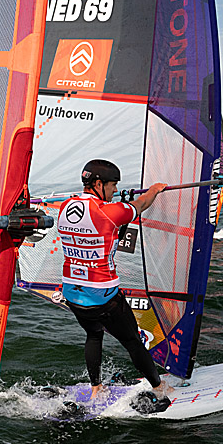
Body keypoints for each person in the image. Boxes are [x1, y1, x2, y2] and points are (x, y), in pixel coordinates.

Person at [57, 159, 172, 406]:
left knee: (94, 335)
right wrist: (154, 190)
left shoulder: (66, 206)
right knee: (132, 341)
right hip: (103, 295)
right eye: (112, 185)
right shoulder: (110, 211)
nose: (112, 190)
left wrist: (117, 200)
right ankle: (159, 386)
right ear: (98, 183)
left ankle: (97, 387)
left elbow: (99, 220)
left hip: (72, 292)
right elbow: (140, 204)